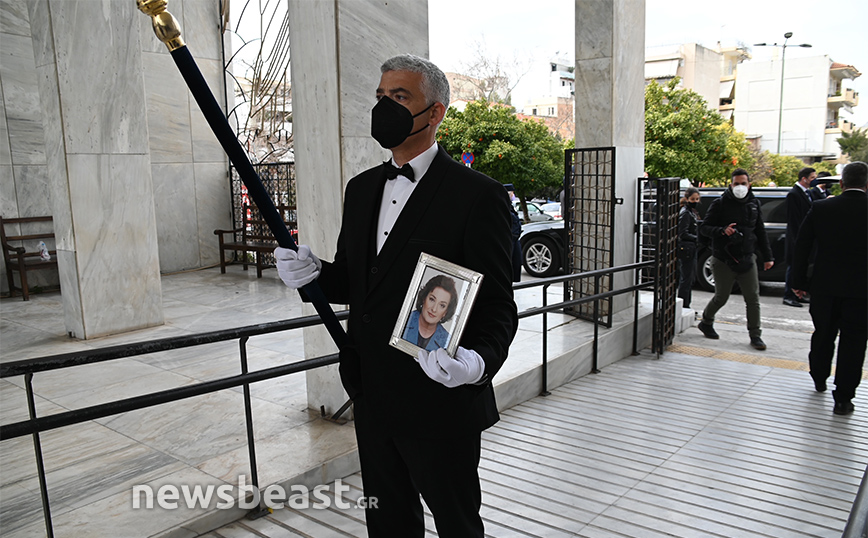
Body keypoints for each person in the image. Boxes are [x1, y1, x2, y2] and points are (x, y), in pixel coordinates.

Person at [274, 54, 518, 537]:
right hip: (372, 394)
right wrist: (313, 274)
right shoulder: (361, 189)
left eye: (400, 96)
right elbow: (356, 281)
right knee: (387, 524)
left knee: (458, 524)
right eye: (381, 96)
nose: (384, 106)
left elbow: (496, 303)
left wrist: (477, 362)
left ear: (436, 112)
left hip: (439, 400)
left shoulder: (477, 195)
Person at [792, 161, 868, 416]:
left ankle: (819, 376)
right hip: (861, 291)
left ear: (842, 183)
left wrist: (798, 282)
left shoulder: (821, 207)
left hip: (825, 286)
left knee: (823, 333)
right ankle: (843, 398)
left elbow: (802, 245)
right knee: (854, 342)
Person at [697, 169, 774, 350]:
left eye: (743, 183)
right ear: (730, 185)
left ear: (749, 185)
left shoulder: (754, 204)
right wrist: (722, 230)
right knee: (721, 297)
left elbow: (760, 231)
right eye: (736, 184)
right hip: (723, 259)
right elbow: (704, 228)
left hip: (747, 257)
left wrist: (768, 257)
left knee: (752, 298)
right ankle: (706, 321)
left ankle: (755, 335)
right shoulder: (720, 204)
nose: (740, 187)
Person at [783, 167, 817, 307]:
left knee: (801, 266)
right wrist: (799, 239)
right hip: (796, 238)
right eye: (812, 178)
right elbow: (794, 220)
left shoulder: (808, 193)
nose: (814, 180)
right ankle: (789, 295)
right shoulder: (794, 194)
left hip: (804, 237)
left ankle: (799, 293)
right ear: (804, 178)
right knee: (793, 266)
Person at [402, 274, 457, 351]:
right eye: (432, 299)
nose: (434, 309)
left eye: (442, 305)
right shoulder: (402, 321)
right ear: (424, 298)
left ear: (445, 312)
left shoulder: (448, 342)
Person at [677, 187, 701, 309]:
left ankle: (686, 304)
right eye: (693, 199)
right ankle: (684, 305)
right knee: (686, 278)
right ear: (687, 199)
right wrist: (697, 238)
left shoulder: (690, 212)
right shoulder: (686, 213)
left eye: (697, 199)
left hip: (690, 248)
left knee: (689, 278)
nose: (695, 201)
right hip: (687, 249)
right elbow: (682, 233)